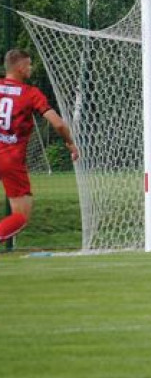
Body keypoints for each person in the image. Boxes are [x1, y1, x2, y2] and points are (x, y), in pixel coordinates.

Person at [0, 49, 79, 244]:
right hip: (11, 160)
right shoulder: (30, 93)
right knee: (21, 215)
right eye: (29, 64)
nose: (31, 68)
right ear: (20, 67)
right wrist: (70, 143)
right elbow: (58, 123)